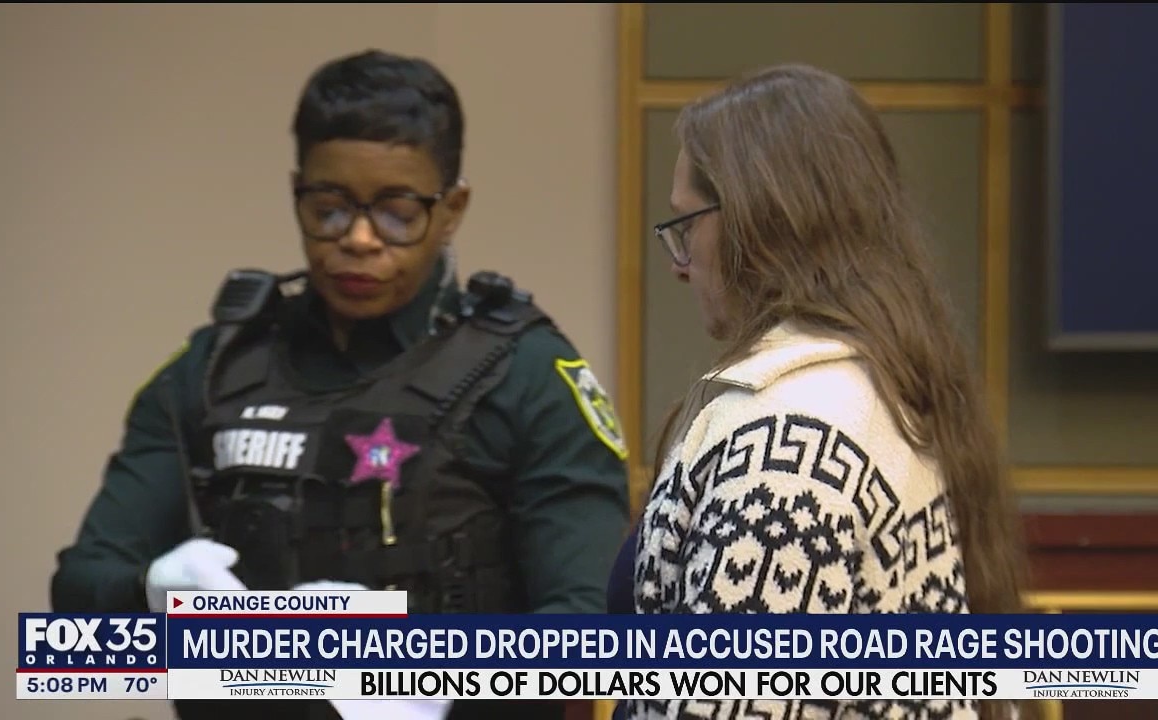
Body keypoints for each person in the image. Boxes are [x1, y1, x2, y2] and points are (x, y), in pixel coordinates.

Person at [50, 48, 631, 720]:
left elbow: (590, 629)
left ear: (452, 208)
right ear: (296, 192)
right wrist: (153, 592)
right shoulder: (214, 369)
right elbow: (77, 602)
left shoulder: (524, 373)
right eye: (328, 207)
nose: (357, 238)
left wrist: (434, 673)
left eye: (397, 212)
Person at [609, 64, 1031, 720]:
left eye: (686, 226)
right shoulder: (884, 385)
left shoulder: (784, 448)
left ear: (756, 222)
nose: (678, 265)